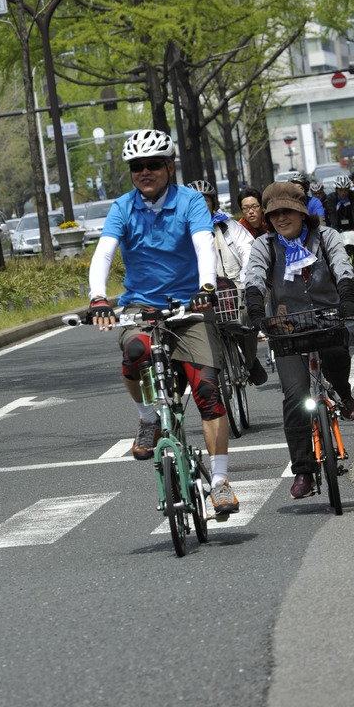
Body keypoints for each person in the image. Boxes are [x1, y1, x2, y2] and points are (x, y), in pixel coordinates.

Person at [86, 129, 239, 515]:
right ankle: (148, 419)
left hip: (189, 306)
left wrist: (206, 286)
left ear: (169, 166)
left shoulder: (190, 202)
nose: (146, 172)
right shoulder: (123, 207)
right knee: (135, 350)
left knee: (206, 390)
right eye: (138, 167)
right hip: (141, 306)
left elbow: (204, 244)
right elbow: (104, 253)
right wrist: (98, 297)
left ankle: (220, 482)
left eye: (154, 164)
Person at [244, 181, 354, 500]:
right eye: (275, 214)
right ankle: (304, 472)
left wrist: (348, 297)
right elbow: (254, 277)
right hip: (287, 327)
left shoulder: (326, 237)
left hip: (327, 318)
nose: (282, 218)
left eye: (288, 211)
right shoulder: (265, 246)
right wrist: (256, 310)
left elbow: (342, 267)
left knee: (337, 359)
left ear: (302, 213)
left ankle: (343, 392)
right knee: (295, 396)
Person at [187, 179, 267, 387]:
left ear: (213, 203)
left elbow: (248, 252)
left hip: (234, 289)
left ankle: (250, 362)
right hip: (198, 294)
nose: (200, 206)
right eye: (194, 202)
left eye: (205, 201)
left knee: (246, 316)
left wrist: (248, 281)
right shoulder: (181, 232)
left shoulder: (229, 226)